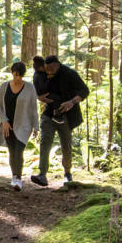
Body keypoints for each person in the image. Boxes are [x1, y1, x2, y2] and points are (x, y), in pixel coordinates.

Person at [30, 55, 90, 187]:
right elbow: (38, 90)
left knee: (66, 145)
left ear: (58, 64)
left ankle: (68, 173)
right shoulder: (42, 74)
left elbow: (85, 90)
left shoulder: (70, 74)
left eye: (51, 68)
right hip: (48, 114)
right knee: (45, 142)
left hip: (67, 116)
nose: (49, 71)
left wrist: (72, 102)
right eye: (47, 69)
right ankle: (42, 174)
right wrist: (39, 97)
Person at [0, 61, 39, 190]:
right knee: (12, 152)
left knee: (19, 150)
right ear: (12, 73)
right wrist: (4, 121)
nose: (17, 78)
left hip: (24, 125)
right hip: (7, 126)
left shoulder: (29, 88)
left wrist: (36, 126)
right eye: (15, 75)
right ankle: (14, 177)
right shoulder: (4, 87)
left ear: (23, 75)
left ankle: (18, 179)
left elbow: (34, 108)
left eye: (19, 75)